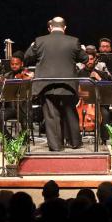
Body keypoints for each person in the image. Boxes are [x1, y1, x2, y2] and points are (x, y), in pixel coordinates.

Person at [24, 17, 88, 151]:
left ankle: (56, 146)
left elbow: (27, 58)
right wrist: (81, 50)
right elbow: (85, 59)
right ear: (64, 28)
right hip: (68, 84)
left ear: (50, 28)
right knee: (70, 112)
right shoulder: (73, 41)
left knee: (51, 115)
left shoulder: (39, 41)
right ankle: (75, 142)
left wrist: (32, 47)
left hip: (45, 84)